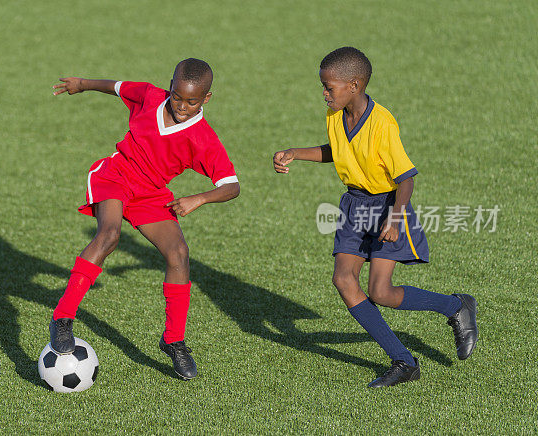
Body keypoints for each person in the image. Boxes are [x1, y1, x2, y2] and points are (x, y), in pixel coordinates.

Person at [273, 47, 478, 388]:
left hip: (388, 206)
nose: (324, 92)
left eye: (329, 86)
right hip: (354, 205)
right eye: (323, 86)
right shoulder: (335, 114)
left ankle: (455, 306)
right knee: (343, 280)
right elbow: (336, 150)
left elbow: (406, 177)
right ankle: (403, 360)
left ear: (353, 85)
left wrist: (395, 219)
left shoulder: (382, 122)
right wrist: (296, 153)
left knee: (380, 291)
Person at [49, 58, 240, 380]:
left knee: (178, 253)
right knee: (109, 235)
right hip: (116, 175)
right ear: (170, 87)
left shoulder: (204, 139)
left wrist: (200, 198)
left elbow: (231, 186)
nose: (181, 105)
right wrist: (81, 84)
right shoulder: (150, 97)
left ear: (206, 99)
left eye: (192, 101)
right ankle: (63, 318)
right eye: (177, 96)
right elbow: (116, 87)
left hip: (151, 193)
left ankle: (173, 340)